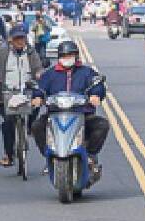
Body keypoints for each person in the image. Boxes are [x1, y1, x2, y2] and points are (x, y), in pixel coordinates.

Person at [29, 40, 109, 174]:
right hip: (55, 115)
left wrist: (96, 95)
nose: (67, 58)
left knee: (102, 125)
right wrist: (37, 97)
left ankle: (90, 155)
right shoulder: (50, 74)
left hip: (82, 114)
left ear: (76, 56)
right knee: (37, 126)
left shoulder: (86, 72)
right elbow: (40, 88)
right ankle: (50, 157)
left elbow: (97, 85)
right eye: (64, 56)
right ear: (59, 57)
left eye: (70, 55)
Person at [0, 27, 44, 168]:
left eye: (22, 38)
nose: (20, 41)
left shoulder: (31, 52)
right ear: (10, 40)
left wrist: (38, 73)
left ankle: (30, 127)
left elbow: (38, 67)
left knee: (36, 105)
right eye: (17, 38)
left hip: (27, 91)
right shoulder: (1, 52)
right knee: (8, 123)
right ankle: (9, 154)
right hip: (6, 93)